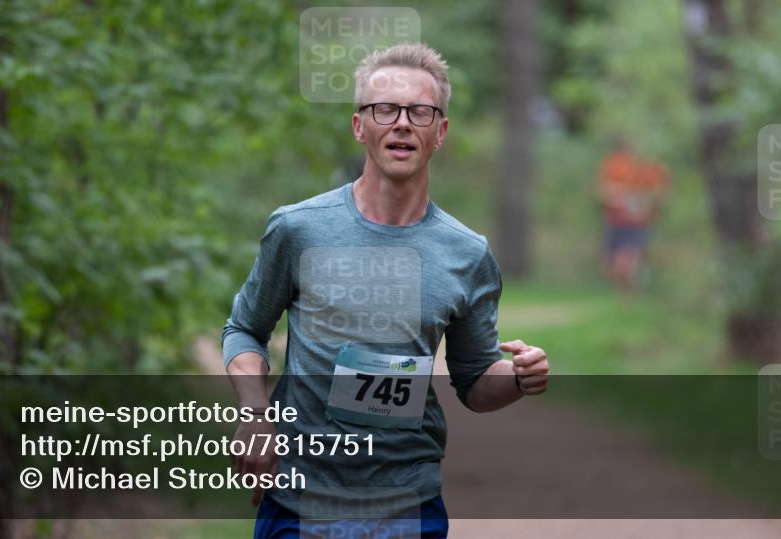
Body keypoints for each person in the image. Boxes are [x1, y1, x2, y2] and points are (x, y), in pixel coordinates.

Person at [222, 43, 550, 539]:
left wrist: (520, 377)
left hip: (407, 506)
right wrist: (255, 415)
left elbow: (475, 381)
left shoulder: (466, 254)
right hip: (298, 502)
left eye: (420, 111)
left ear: (439, 132)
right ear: (360, 126)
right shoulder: (298, 229)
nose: (402, 123)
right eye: (385, 109)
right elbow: (245, 329)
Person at [597, 139, 669, 292]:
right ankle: (631, 284)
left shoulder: (653, 168)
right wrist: (615, 194)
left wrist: (645, 199)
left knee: (626, 263)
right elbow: (603, 191)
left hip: (638, 223)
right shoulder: (614, 165)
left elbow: (661, 195)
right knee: (611, 268)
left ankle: (633, 284)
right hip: (616, 221)